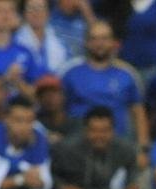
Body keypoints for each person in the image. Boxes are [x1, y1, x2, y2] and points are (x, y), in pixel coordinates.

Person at [60, 20, 148, 156]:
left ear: (113, 42)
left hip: (118, 149)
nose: (99, 43)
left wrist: (143, 149)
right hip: (78, 150)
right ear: (86, 42)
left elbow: (138, 112)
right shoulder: (70, 72)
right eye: (94, 39)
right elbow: (57, 109)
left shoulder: (127, 74)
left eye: (104, 38)